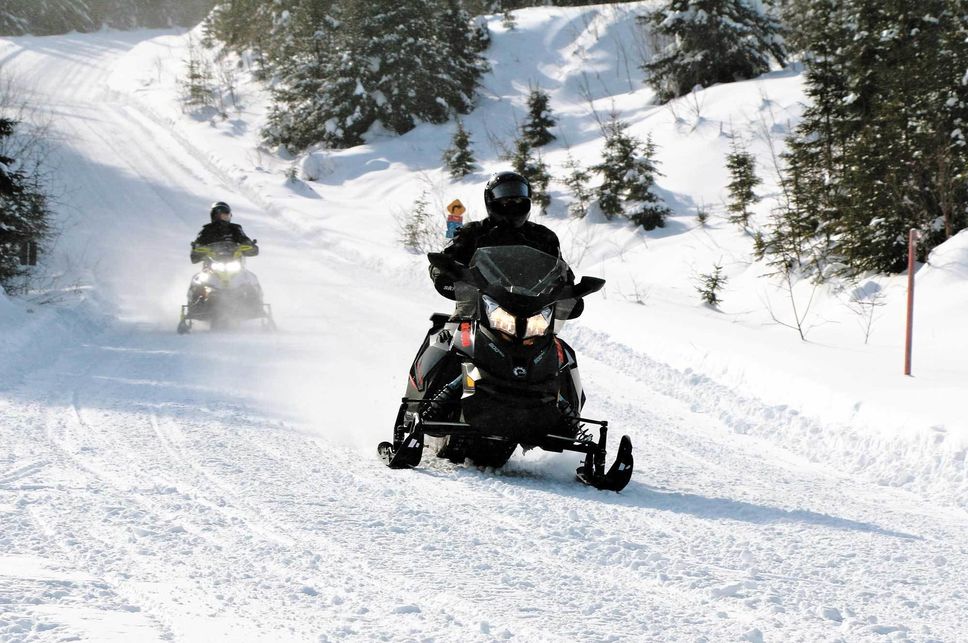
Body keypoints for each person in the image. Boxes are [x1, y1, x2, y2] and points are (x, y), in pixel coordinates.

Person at [429, 171, 582, 319]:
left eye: (518, 200)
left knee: (558, 346)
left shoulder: (544, 237)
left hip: (533, 314)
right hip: (477, 310)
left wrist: (571, 293)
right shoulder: (473, 232)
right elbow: (445, 261)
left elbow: (560, 272)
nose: (512, 204)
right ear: (490, 200)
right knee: (451, 338)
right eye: (505, 200)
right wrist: (446, 274)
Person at [191, 201, 258, 263]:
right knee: (199, 276)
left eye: (228, 215)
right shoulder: (206, 230)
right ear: (215, 215)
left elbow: (244, 239)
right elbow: (197, 246)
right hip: (212, 264)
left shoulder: (235, 228)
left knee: (249, 275)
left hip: (234, 263)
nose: (226, 217)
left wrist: (249, 245)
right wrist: (197, 249)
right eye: (224, 215)